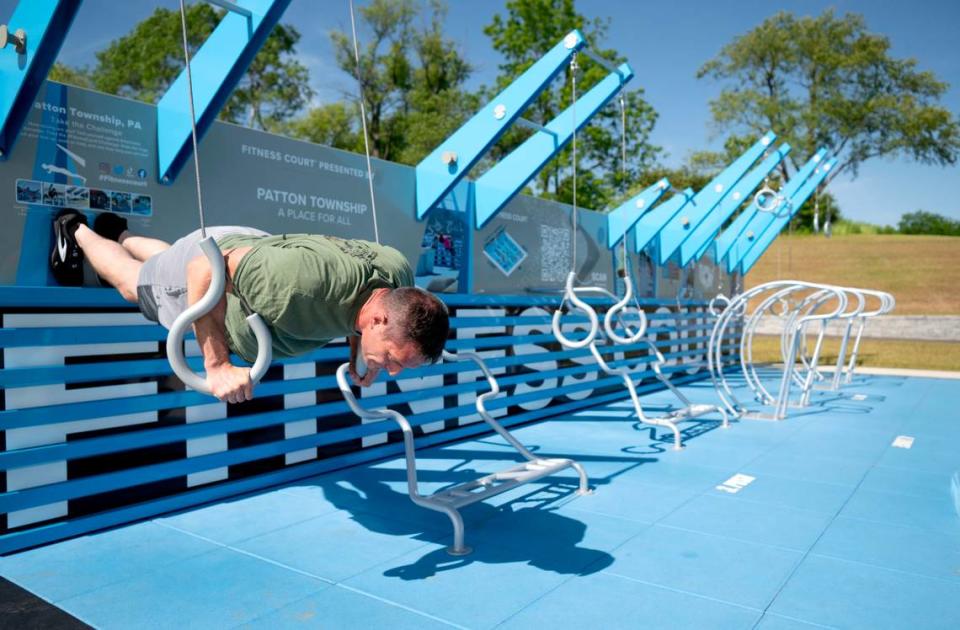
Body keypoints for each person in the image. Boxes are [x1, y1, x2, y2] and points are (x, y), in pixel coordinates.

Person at [49, 209, 450, 404]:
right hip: (218, 273)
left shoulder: (396, 277)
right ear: (380, 319)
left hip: (254, 254)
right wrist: (217, 366)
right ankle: (76, 228)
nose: (393, 371)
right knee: (135, 285)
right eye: (396, 360)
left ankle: (117, 231)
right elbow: (204, 268)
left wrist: (362, 352)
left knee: (166, 259)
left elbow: (362, 308)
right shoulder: (298, 286)